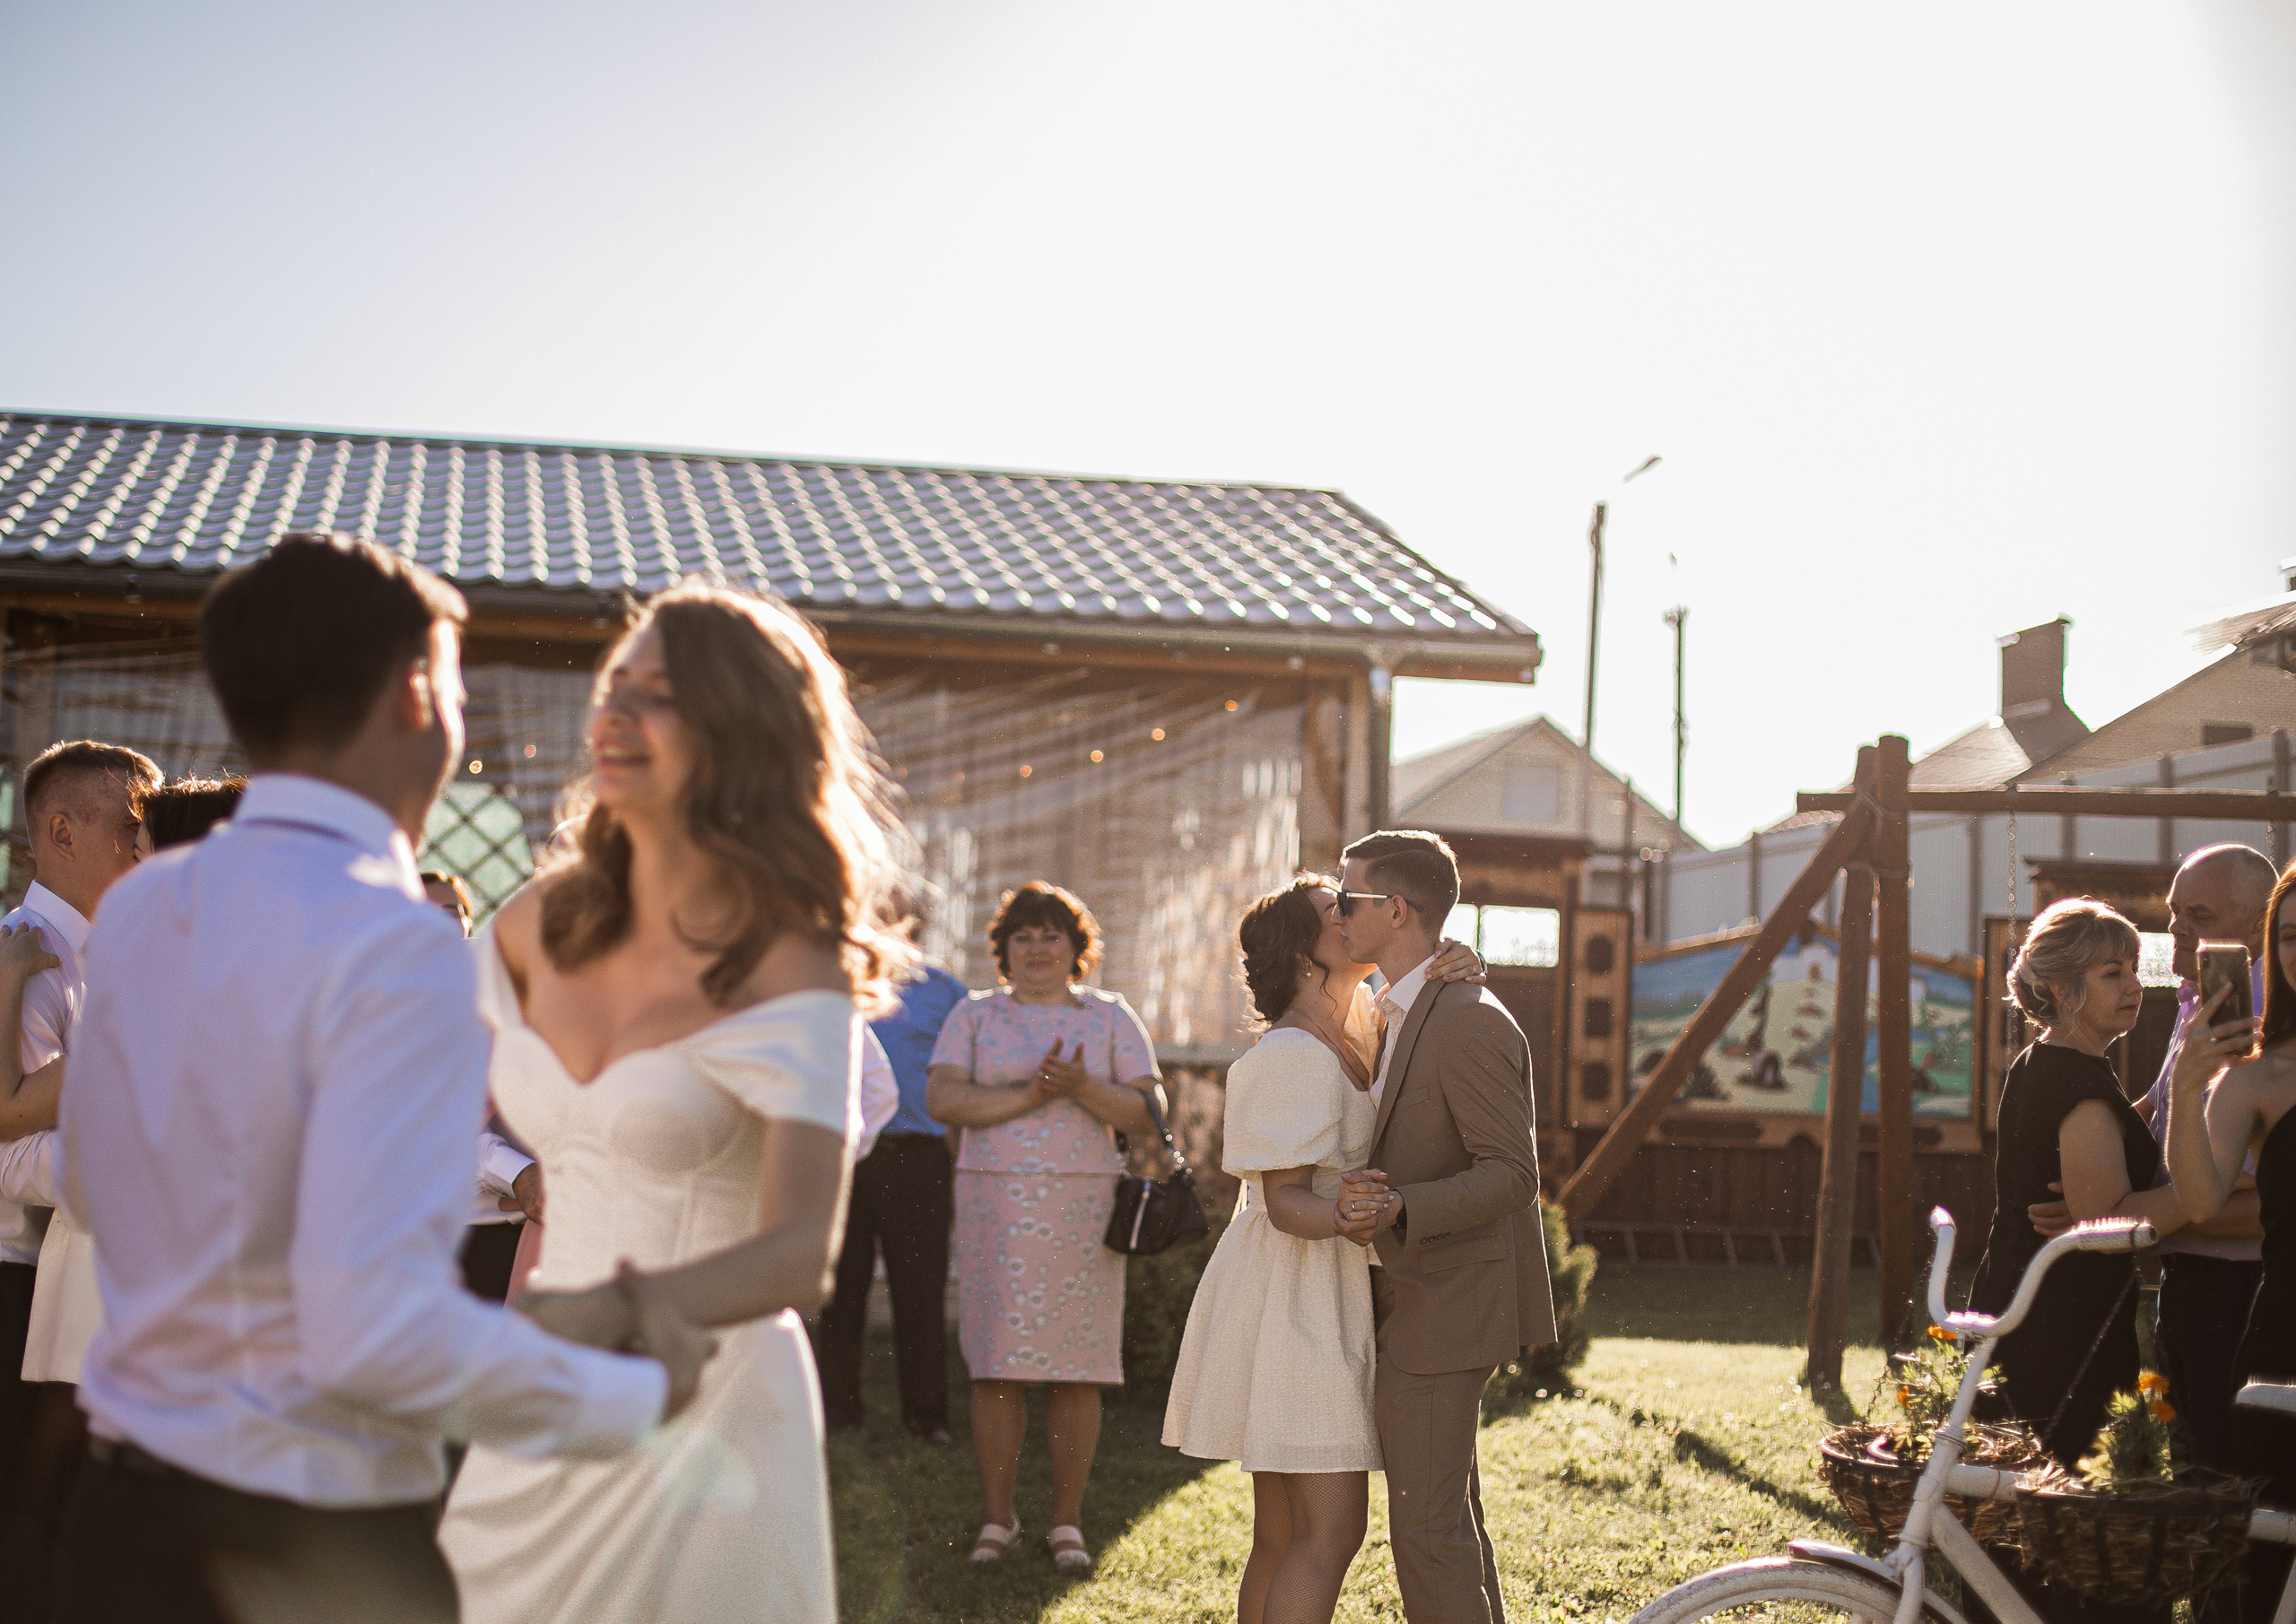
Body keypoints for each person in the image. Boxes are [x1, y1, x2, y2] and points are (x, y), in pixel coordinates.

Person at [57, 534, 710, 1624]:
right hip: (315, 1544)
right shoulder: (397, 942)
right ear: (418, 694)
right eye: (455, 685)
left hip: (121, 1516)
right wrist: (634, 1392)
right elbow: (381, 1329)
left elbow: (89, 1182)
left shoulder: (142, 907)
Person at [439, 579, 907, 1623]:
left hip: (714, 1394)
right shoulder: (531, 921)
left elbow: (798, 1254)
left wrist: (602, 1306)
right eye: (615, 685)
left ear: (738, 730)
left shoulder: (787, 956)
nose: (613, 712)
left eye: (657, 693)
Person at [1333, 829, 1552, 1624]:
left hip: (1450, 1300)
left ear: (1394, 909)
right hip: (1419, 1296)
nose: (1335, 910)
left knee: (1427, 1529)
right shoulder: (1395, 1005)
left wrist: (1402, 1209)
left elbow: (1514, 1174)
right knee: (1444, 1519)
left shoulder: (1465, 1017)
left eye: (1347, 898)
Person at [1163, 874, 1384, 1624]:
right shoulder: (1292, 1052)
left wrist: (1460, 961)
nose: (1354, 919)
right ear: (1302, 951)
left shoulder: (1354, 1030)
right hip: (1299, 1293)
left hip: (1314, 1282)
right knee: (1330, 1528)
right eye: (1336, 912)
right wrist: (1348, 1214)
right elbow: (1286, 1201)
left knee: (1285, 1532)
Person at [925, 881, 1158, 1573]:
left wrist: (1082, 1086)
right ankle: (999, 1519)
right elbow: (942, 1097)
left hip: (1082, 1206)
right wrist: (1032, 1093)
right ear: (1003, 949)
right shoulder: (972, 1015)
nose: (1036, 947)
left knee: (1075, 1368)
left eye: (1051, 934)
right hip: (995, 1204)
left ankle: (1066, 1522)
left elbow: (1146, 1112)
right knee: (996, 1364)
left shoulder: (1112, 1017)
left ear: (1076, 947)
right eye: (1022, 936)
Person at [0, 741, 158, 1624]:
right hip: (16, 1286)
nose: (144, 851)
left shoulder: (108, 960)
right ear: (61, 828)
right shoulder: (25, 960)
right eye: (131, 825)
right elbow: (9, 1157)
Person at [2163, 858, 2296, 1624]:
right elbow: (2201, 1197)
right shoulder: (2257, 1077)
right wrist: (2188, 1086)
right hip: (2283, 1342)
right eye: (2290, 935)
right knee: (2264, 1561)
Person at [817, 908, 969, 1443]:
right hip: (843, 1154)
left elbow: (965, 1075)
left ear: (916, 925)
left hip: (918, 1156)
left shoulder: (947, 991)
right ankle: (836, 1413)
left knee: (920, 1288)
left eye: (895, 916)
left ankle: (927, 1418)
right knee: (840, 1286)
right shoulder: (833, 980)